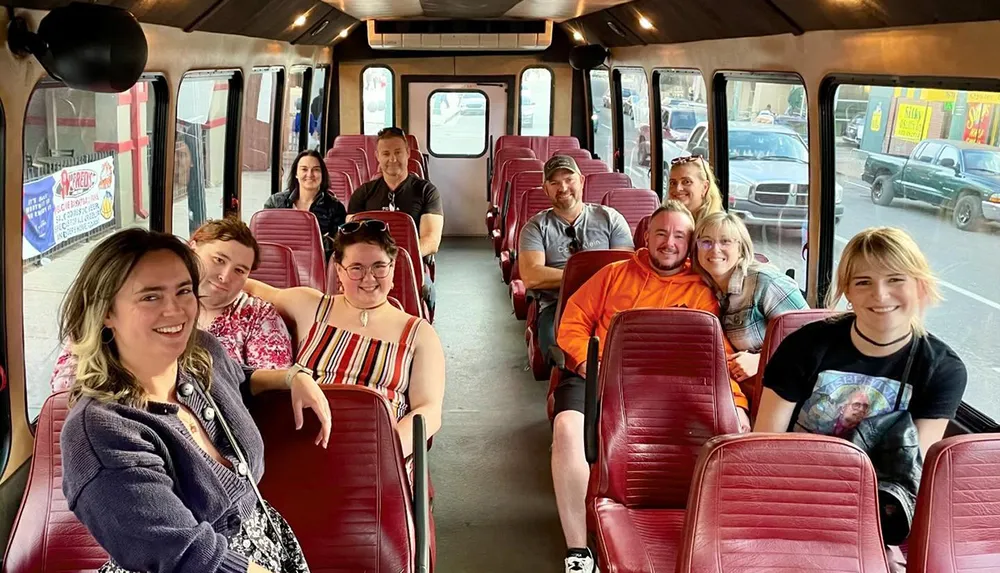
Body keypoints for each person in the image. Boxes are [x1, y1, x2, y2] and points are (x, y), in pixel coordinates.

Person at [58, 228, 332, 573]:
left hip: (265, 546)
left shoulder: (200, 353)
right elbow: (183, 555)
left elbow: (238, 381)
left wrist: (293, 376)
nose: (175, 310)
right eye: (150, 297)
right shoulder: (100, 431)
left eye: (184, 291)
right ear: (107, 311)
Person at [551, 201, 750, 573]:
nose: (668, 242)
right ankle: (578, 549)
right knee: (566, 428)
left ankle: (713, 543)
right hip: (598, 374)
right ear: (646, 236)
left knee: (736, 429)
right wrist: (587, 364)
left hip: (668, 391)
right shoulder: (613, 275)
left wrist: (735, 403)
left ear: (689, 244)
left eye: (679, 236)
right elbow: (573, 323)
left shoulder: (701, 291)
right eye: (661, 233)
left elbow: (714, 354)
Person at [754, 226, 967, 452]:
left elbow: (914, 469)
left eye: (895, 279)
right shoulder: (803, 346)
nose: (881, 295)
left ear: (919, 286)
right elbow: (764, 447)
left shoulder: (942, 370)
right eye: (863, 282)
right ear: (848, 292)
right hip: (798, 478)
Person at [244, 219, 445, 458]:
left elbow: (428, 411)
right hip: (304, 446)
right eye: (356, 268)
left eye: (379, 266)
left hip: (379, 454)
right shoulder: (311, 306)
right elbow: (250, 287)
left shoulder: (420, 334)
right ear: (339, 270)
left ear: (392, 268)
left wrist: (385, 455)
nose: (369, 278)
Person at [50, 217, 293, 392]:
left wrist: (291, 379)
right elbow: (65, 385)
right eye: (218, 260)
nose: (225, 276)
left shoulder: (255, 318)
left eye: (239, 271)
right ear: (193, 247)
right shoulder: (119, 310)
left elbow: (264, 389)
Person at [518, 155, 634, 364]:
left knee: (627, 352)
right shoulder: (535, 227)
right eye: (554, 183)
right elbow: (532, 277)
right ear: (545, 189)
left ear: (581, 181)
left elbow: (626, 270)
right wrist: (596, 279)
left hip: (610, 303)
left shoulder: (611, 219)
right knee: (566, 358)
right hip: (558, 305)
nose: (562, 187)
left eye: (569, 179)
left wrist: (572, 279)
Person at [690, 211, 808, 382]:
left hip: (783, 384)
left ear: (741, 249)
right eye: (706, 242)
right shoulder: (704, 287)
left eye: (725, 242)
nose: (715, 249)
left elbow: (812, 340)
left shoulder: (765, 282)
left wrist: (760, 361)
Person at [348, 127, 443, 310]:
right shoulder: (363, 194)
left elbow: (431, 241)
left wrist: (395, 260)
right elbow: (349, 238)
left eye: (398, 152)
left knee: (427, 292)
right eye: (386, 153)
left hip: (411, 267)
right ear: (377, 156)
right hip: (369, 271)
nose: (392, 159)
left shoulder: (427, 192)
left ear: (408, 153)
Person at [264, 149, 347, 258]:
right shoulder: (275, 203)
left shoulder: (335, 208)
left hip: (317, 264)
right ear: (296, 174)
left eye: (316, 170)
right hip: (279, 262)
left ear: (323, 174)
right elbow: (266, 239)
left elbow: (338, 248)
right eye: (304, 169)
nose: (310, 174)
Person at [666, 155, 723, 223]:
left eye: (686, 182)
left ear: (705, 187)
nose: (678, 188)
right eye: (673, 183)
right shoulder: (662, 222)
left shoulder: (716, 228)